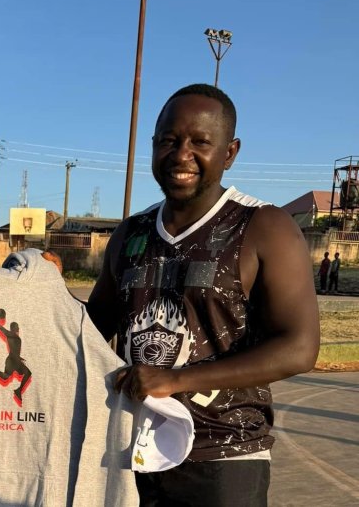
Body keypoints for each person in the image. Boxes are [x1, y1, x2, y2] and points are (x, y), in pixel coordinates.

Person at [87, 83, 320, 506]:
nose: (181, 155)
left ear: (229, 153)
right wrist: (27, 285)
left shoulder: (264, 227)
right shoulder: (130, 234)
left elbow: (299, 348)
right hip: (133, 451)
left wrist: (178, 380)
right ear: (154, 145)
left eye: (200, 142)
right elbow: (89, 327)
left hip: (225, 456)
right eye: (170, 141)